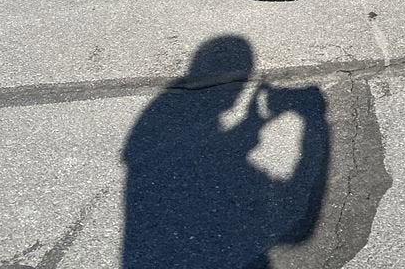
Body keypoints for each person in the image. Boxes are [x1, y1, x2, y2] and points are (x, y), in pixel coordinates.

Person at [122, 36, 329, 268]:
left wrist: (253, 126)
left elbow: (209, 147)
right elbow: (298, 231)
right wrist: (312, 119)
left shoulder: (151, 140)